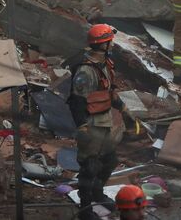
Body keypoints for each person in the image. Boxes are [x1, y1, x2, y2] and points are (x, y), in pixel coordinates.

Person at [68, 24, 126, 220]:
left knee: (109, 160)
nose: (112, 44)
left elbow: (108, 92)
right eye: (110, 41)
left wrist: (123, 108)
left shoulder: (105, 63)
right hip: (91, 122)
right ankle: (85, 208)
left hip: (105, 119)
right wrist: (81, 126)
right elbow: (76, 100)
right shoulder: (86, 71)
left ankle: (97, 193)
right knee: (90, 166)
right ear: (103, 45)